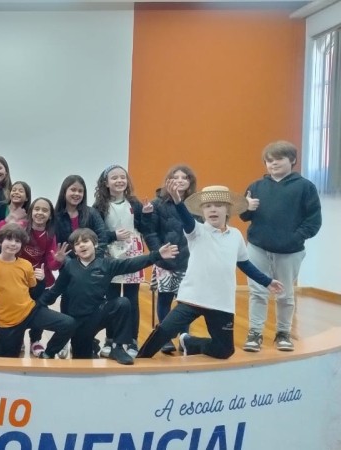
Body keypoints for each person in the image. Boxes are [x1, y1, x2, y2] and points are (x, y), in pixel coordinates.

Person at [137, 184, 284, 360]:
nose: (213, 210)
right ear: (202, 211)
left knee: (225, 351)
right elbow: (186, 219)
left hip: (221, 302)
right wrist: (177, 201)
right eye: (207, 206)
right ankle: (140, 359)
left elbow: (245, 264)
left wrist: (267, 281)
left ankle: (189, 342)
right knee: (163, 331)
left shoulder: (236, 235)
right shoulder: (196, 231)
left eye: (218, 205)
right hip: (192, 298)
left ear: (227, 210)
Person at [40, 228, 179, 365]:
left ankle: (117, 347)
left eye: (85, 241)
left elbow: (130, 264)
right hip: (75, 322)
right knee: (82, 361)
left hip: (96, 316)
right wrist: (37, 305)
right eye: (77, 244)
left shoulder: (107, 264)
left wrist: (157, 255)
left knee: (122, 303)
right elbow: (55, 291)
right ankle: (87, 346)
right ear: (75, 251)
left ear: (95, 244)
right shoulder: (70, 267)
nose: (82, 245)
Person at [240, 141, 322, 352]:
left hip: (290, 251)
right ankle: (255, 333)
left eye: (279, 159)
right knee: (257, 292)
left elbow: (314, 221)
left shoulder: (305, 187)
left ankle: (283, 333)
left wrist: (294, 238)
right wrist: (247, 207)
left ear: (292, 160)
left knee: (285, 294)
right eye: (269, 160)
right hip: (257, 247)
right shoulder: (256, 186)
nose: (273, 163)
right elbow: (243, 216)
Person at [0, 224, 74, 359]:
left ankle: (48, 354)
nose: (13, 244)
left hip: (30, 311)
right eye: (9, 239)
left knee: (68, 324)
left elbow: (34, 294)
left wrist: (41, 281)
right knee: (6, 355)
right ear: (0, 241)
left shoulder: (26, 264)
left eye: (17, 241)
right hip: (8, 321)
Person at [93, 165, 150, 357]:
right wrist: (113, 235)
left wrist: (147, 215)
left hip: (133, 253)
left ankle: (132, 340)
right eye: (114, 178)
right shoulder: (99, 206)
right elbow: (97, 233)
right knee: (113, 299)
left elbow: (143, 227)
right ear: (106, 183)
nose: (119, 181)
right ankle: (110, 338)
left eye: (122, 177)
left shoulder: (134, 203)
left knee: (132, 300)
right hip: (111, 254)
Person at [142, 165, 199, 354]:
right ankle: (165, 338)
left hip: (189, 261)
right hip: (165, 261)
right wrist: (159, 252)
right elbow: (150, 232)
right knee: (164, 299)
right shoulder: (157, 204)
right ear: (169, 181)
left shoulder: (196, 204)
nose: (180, 180)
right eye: (176, 177)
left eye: (185, 177)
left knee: (185, 302)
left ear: (190, 182)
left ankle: (184, 337)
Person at [53, 174, 109, 358]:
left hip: (91, 266)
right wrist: (71, 264)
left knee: (89, 303)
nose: (76, 194)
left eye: (80, 191)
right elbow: (55, 243)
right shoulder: (56, 215)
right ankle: (64, 338)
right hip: (68, 265)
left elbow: (101, 237)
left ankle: (87, 339)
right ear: (65, 191)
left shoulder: (91, 213)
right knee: (68, 299)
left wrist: (93, 262)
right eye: (73, 190)